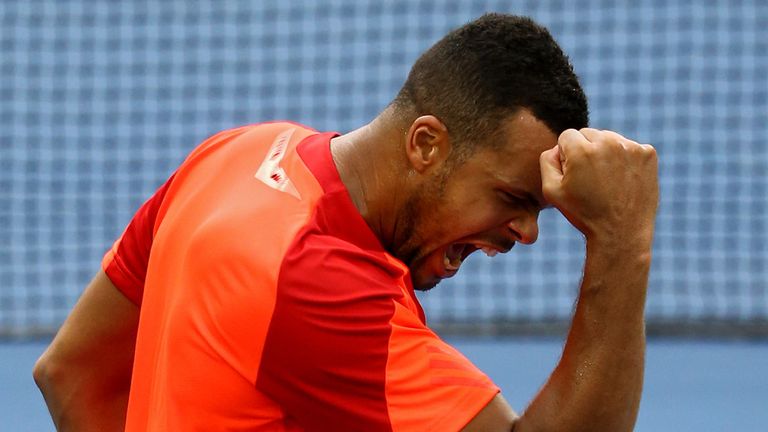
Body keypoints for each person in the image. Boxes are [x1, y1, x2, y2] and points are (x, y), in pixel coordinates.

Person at [33, 13, 658, 432]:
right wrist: (621, 239)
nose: (526, 233)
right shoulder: (317, 286)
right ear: (426, 144)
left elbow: (72, 373)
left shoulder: (238, 152)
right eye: (512, 197)